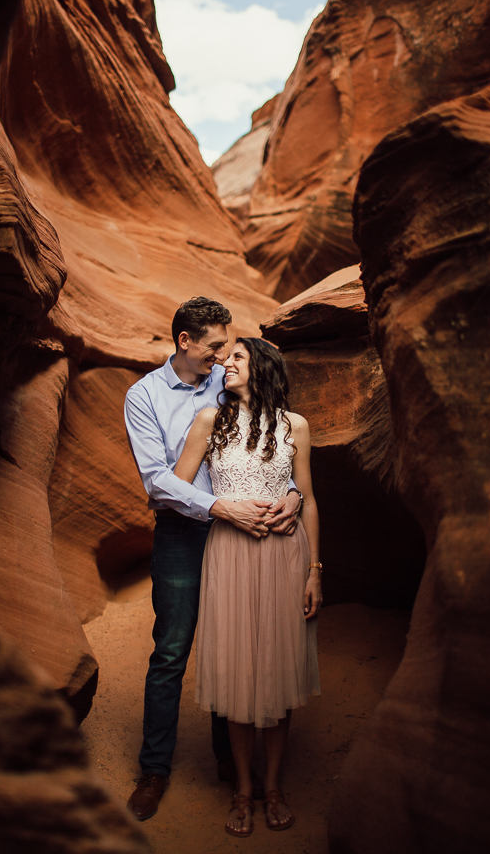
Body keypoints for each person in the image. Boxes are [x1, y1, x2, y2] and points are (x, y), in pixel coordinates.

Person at [124, 298, 303, 821]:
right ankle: (154, 769)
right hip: (185, 532)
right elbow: (157, 479)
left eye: (229, 348)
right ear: (185, 341)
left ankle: (233, 762)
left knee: (238, 646)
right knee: (172, 650)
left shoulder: (227, 382)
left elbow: (267, 442)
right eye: (215, 345)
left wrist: (291, 492)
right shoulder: (145, 396)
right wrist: (220, 506)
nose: (224, 356)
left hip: (245, 537)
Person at [174, 336, 321, 836]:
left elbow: (309, 495)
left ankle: (274, 785)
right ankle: (242, 789)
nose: (225, 363)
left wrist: (314, 568)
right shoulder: (209, 421)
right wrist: (224, 507)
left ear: (262, 367)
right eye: (226, 356)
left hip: (285, 553)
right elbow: (176, 484)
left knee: (278, 669)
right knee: (238, 671)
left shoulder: (294, 425)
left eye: (236, 357)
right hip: (231, 552)